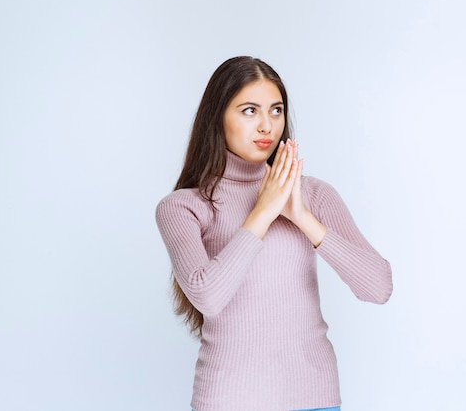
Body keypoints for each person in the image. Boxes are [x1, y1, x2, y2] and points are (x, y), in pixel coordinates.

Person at [155, 56, 393, 411]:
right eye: (249, 111)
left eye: (276, 110)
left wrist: (300, 217)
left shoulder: (312, 195)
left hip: (314, 398)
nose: (267, 125)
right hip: (228, 401)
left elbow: (378, 287)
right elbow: (207, 296)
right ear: (217, 118)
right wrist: (264, 210)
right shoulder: (184, 206)